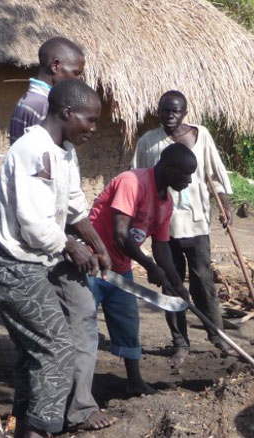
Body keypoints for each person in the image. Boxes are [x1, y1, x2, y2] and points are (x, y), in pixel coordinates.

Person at [0, 79, 115, 438]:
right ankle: (40, 429)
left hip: (28, 263)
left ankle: (24, 425)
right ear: (67, 113)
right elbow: (35, 226)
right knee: (56, 348)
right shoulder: (34, 151)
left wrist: (97, 245)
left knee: (35, 351)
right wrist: (72, 246)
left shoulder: (63, 149)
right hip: (7, 263)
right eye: (90, 120)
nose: (94, 129)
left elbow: (73, 202)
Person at [131, 90, 233, 367]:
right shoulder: (149, 142)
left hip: (197, 221)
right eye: (165, 111)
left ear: (185, 112)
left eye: (175, 111)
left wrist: (225, 206)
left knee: (204, 283)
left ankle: (217, 336)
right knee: (171, 284)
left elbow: (214, 174)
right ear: (159, 112)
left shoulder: (202, 136)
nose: (170, 116)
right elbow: (139, 179)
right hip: (164, 226)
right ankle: (180, 342)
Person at [89, 142, 198, 394]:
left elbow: (161, 247)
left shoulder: (166, 202)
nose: (189, 180)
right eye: (186, 173)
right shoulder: (132, 182)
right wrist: (149, 266)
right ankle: (77, 386)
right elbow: (119, 234)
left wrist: (177, 284)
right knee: (84, 325)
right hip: (93, 263)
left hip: (121, 268)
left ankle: (134, 381)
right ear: (168, 168)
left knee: (128, 323)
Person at [9, 37, 86, 144]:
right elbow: (46, 153)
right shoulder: (45, 105)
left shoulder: (30, 99)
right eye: (75, 73)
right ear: (55, 66)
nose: (77, 80)